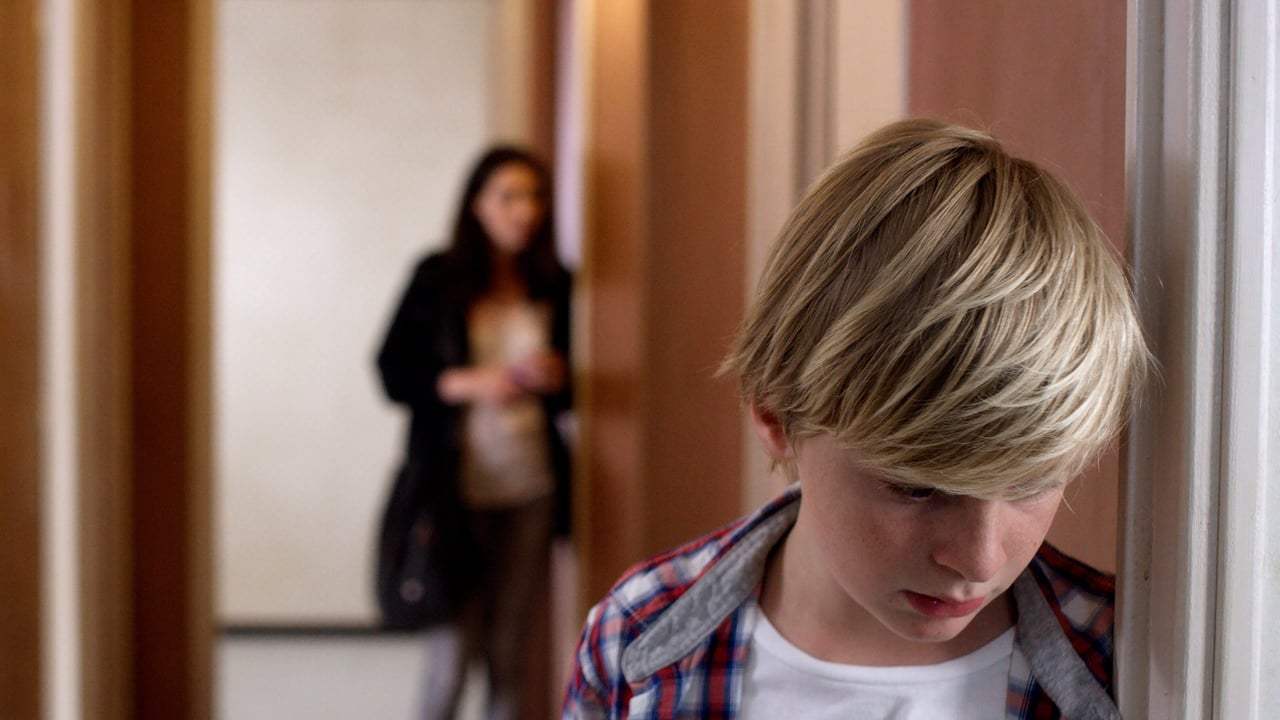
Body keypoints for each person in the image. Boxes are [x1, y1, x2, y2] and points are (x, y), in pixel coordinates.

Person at [562, 119, 1150, 719]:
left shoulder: (1130, 664)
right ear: (776, 413)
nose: (979, 560)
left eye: (1029, 481)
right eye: (917, 487)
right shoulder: (635, 638)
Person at [378, 145, 572, 720]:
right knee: (451, 652)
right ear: (477, 205)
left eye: (534, 197)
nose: (525, 211)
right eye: (508, 197)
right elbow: (393, 371)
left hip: (531, 484)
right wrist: (473, 382)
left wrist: (558, 376)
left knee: (510, 649)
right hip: (453, 489)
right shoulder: (437, 278)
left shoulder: (554, 283)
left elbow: (577, 391)